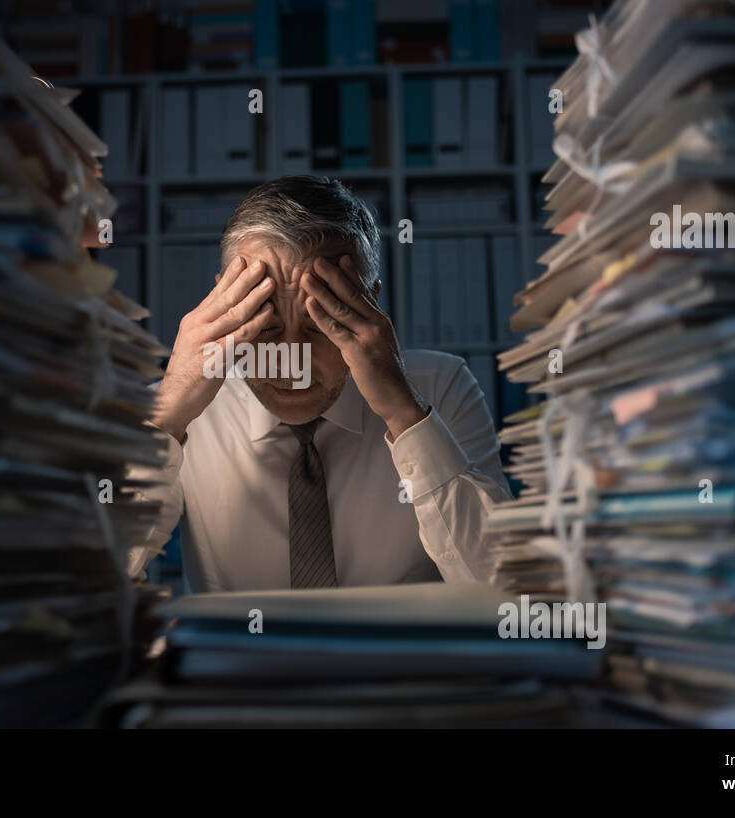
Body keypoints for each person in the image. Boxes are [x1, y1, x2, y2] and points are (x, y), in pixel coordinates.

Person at [127, 175, 512, 592]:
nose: (291, 361)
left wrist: (406, 415)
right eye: (268, 327)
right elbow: (88, 584)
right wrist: (164, 420)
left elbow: (507, 591)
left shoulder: (440, 388)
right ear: (224, 306)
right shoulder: (175, 414)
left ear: (368, 307)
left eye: (320, 325)